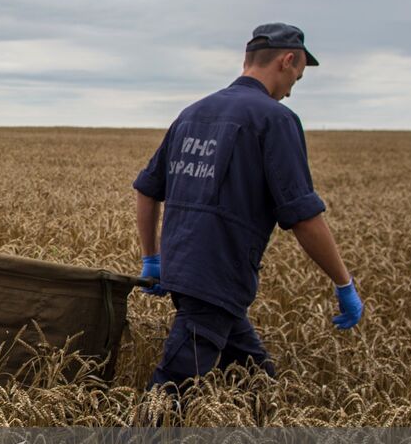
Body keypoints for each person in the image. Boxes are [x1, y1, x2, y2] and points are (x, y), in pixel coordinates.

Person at [132, 23, 363, 396]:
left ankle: (264, 434)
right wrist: (343, 283)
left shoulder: (193, 112)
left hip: (186, 271)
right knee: (172, 389)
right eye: (297, 79)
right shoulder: (274, 119)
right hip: (218, 275)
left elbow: (146, 190)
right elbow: (303, 217)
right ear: (286, 61)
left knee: (256, 380)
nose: (289, 92)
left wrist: (152, 258)